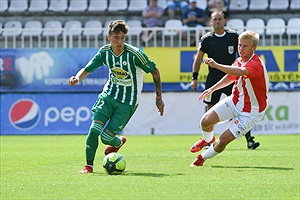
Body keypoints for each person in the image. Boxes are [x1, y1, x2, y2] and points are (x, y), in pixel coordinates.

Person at [69, 20, 165, 173]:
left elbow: (155, 72)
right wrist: (77, 78)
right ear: (109, 37)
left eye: (123, 38)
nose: (120, 41)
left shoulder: (135, 54)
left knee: (105, 138)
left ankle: (118, 142)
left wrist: (158, 98)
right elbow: (87, 69)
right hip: (109, 95)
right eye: (116, 37)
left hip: (128, 102)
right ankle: (89, 166)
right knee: (94, 129)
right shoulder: (104, 53)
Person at [189, 30, 269, 166]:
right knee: (205, 121)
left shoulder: (256, 64)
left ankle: (202, 158)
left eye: (245, 46)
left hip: (251, 112)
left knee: (223, 140)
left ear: (254, 48)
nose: (241, 49)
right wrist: (212, 88)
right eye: (239, 45)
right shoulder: (239, 60)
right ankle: (208, 140)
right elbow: (232, 76)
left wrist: (216, 65)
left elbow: (240, 72)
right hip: (235, 101)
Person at [190, 11, 260, 150]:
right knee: (210, 108)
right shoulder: (206, 39)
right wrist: (194, 78)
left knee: (241, 108)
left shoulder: (233, 36)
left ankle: (249, 140)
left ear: (224, 20)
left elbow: (243, 52)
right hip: (214, 78)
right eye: (214, 19)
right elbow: (198, 58)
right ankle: (208, 140)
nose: (217, 21)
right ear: (210, 21)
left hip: (232, 76)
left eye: (219, 19)